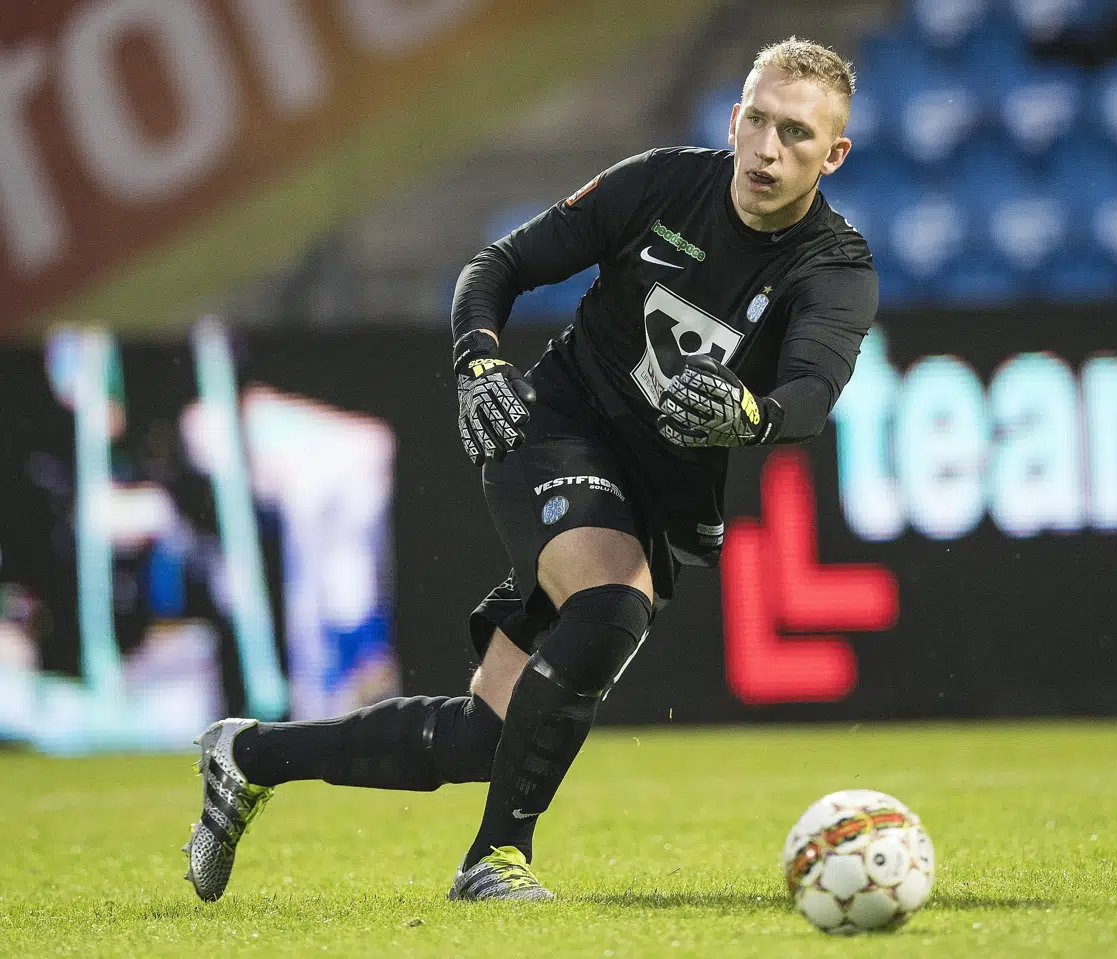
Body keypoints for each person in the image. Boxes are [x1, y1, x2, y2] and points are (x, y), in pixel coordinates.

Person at [181, 36, 878, 904]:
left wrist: (752, 415)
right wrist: (477, 361)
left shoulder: (835, 268)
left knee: (485, 738)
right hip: (551, 426)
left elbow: (812, 390)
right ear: (734, 119)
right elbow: (497, 268)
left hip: (655, 498)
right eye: (760, 122)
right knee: (609, 602)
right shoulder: (659, 183)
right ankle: (494, 860)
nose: (770, 150)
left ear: (834, 155)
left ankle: (247, 756)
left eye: (799, 136)